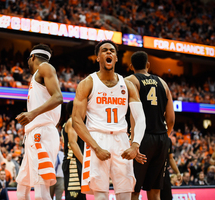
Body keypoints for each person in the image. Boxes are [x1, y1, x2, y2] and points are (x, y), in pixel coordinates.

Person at [72, 40, 146, 200]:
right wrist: (96, 147)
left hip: (121, 139)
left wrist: (135, 145)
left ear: (116, 58)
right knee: (100, 195)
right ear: (98, 57)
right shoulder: (87, 83)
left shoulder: (127, 85)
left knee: (126, 193)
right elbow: (77, 121)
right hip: (97, 138)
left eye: (112, 51)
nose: (109, 53)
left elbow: (140, 118)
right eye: (104, 50)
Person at [15, 44, 63, 200]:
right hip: (34, 134)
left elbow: (58, 97)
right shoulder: (37, 75)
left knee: (41, 191)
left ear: (33, 57)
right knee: (22, 189)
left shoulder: (45, 67)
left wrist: (32, 114)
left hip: (42, 134)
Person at [125, 51, 175, 200]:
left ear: (131, 66)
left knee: (134, 189)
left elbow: (133, 114)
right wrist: (163, 137)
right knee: (154, 191)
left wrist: (135, 141)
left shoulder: (130, 81)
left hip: (141, 138)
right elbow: (171, 119)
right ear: (148, 65)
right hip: (161, 138)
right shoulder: (163, 83)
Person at [62, 100, 86, 200]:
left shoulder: (74, 122)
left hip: (75, 161)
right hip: (73, 162)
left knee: (80, 195)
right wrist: (85, 163)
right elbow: (73, 143)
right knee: (74, 196)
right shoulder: (72, 122)